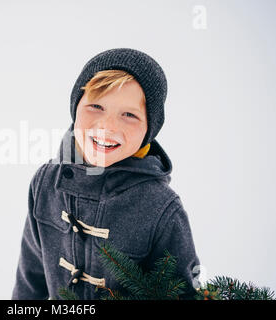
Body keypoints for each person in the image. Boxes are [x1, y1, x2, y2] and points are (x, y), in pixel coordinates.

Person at [12, 48, 200, 300]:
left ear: (149, 129)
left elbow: (183, 292)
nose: (108, 126)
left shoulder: (162, 206)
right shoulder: (46, 183)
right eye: (96, 106)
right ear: (76, 108)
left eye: (129, 115)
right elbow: (29, 277)